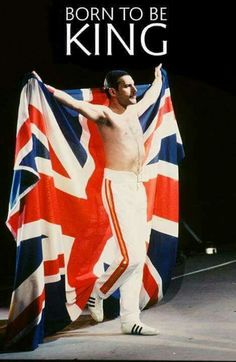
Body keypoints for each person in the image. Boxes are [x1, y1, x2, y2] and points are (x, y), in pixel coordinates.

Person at [41, 64, 162, 335]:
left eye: (133, 84)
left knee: (139, 256)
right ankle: (100, 290)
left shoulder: (134, 109)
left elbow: (153, 95)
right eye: (127, 86)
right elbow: (72, 102)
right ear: (112, 91)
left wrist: (157, 77)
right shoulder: (104, 114)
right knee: (129, 257)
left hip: (137, 186)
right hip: (116, 187)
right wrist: (44, 87)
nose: (133, 90)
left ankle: (130, 319)